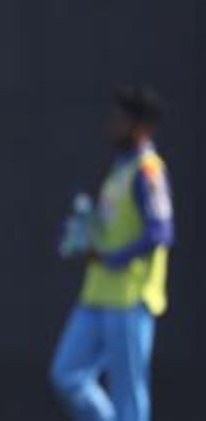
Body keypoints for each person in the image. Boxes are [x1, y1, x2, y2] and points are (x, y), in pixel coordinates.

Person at [49, 85, 174, 421]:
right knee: (67, 373)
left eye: (121, 119)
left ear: (140, 126)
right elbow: (108, 228)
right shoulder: (119, 170)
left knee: (128, 393)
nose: (113, 125)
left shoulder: (148, 171)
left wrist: (114, 258)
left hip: (129, 298)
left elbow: (161, 232)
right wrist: (82, 233)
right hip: (96, 294)